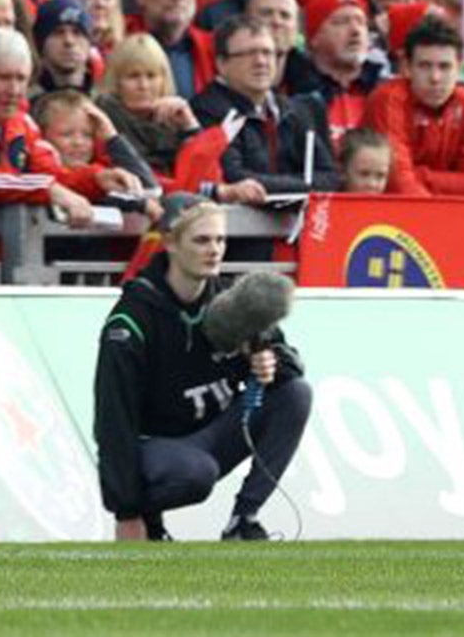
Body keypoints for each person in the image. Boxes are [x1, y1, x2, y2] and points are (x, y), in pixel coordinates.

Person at [93, 198, 311, 543]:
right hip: (158, 448)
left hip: (213, 435)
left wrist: (269, 360)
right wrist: (127, 512)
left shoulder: (230, 304)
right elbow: (113, 419)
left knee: (296, 393)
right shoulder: (132, 319)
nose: (215, 250)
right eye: (202, 240)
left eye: (221, 240)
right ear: (169, 243)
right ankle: (151, 523)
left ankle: (242, 520)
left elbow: (289, 361)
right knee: (195, 474)